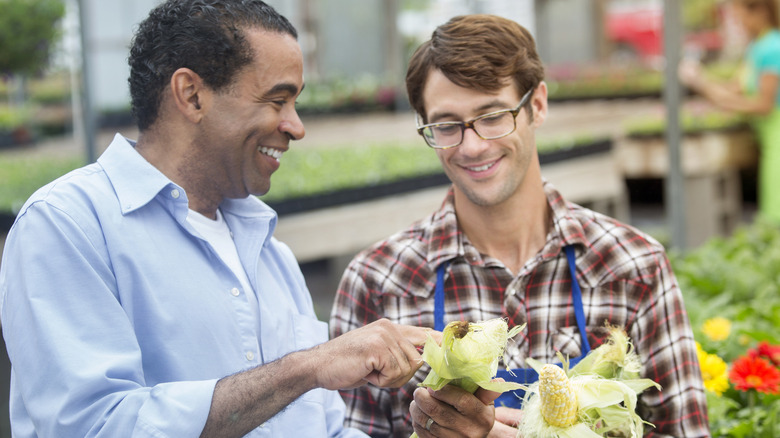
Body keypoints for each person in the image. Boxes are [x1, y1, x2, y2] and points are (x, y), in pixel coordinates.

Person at [0, 1, 458, 436]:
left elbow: (322, 428)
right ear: (192, 94)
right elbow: (95, 427)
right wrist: (307, 367)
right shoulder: (68, 226)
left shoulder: (268, 251)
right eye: (277, 100)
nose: (296, 126)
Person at [330, 14, 711, 438]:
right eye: (447, 125)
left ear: (538, 105)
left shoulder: (632, 266)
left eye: (493, 115)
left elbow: (685, 430)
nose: (473, 146)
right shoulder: (378, 282)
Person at [679, 0, 780, 223]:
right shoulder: (758, 47)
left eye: (738, 16)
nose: (737, 24)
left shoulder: (772, 47)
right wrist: (700, 80)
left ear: (759, 11)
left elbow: (764, 104)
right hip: (768, 141)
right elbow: (733, 89)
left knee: (775, 215)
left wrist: (702, 85)